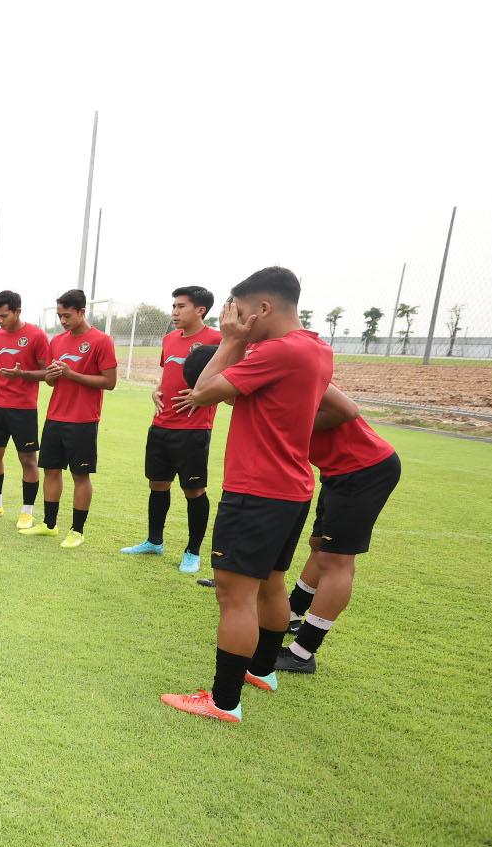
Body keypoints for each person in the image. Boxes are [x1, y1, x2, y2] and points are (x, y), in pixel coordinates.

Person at [160, 267, 332, 723]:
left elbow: (200, 393)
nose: (232, 320)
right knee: (272, 582)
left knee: (235, 597)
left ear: (264, 308)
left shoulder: (277, 351)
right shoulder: (315, 347)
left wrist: (232, 342)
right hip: (291, 487)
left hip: (256, 490)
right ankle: (262, 672)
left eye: (238, 312)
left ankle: (224, 700)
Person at [276, 383, 402, 674]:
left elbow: (345, 410)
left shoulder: (293, 366)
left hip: (363, 470)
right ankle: (293, 614)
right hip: (337, 470)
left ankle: (302, 652)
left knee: (336, 561)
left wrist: (294, 426)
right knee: (319, 545)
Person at [120, 286, 223, 573]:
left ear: (200, 310)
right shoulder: (168, 339)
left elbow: (229, 382)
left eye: (181, 306)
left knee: (194, 490)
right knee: (157, 484)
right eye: (174, 306)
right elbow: (169, 374)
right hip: (160, 425)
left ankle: (192, 551)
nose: (174, 312)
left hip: (193, 429)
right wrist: (156, 390)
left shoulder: (218, 340)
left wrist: (200, 396)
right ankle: (154, 541)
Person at [19, 289, 117, 547]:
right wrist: (51, 376)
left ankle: (77, 531)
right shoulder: (58, 341)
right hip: (55, 417)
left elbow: (109, 382)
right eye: (60, 316)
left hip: (83, 420)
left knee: (80, 475)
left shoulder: (101, 341)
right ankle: (49, 525)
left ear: (82, 312)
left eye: (67, 316)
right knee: (51, 470)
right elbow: (52, 380)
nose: (63, 321)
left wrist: (72, 374)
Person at [0, 290, 51, 526]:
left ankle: (27, 511)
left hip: (23, 408)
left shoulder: (36, 336)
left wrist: (22, 374)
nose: (0, 321)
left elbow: (48, 373)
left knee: (27, 459)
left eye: (4, 316)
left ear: (17, 311)